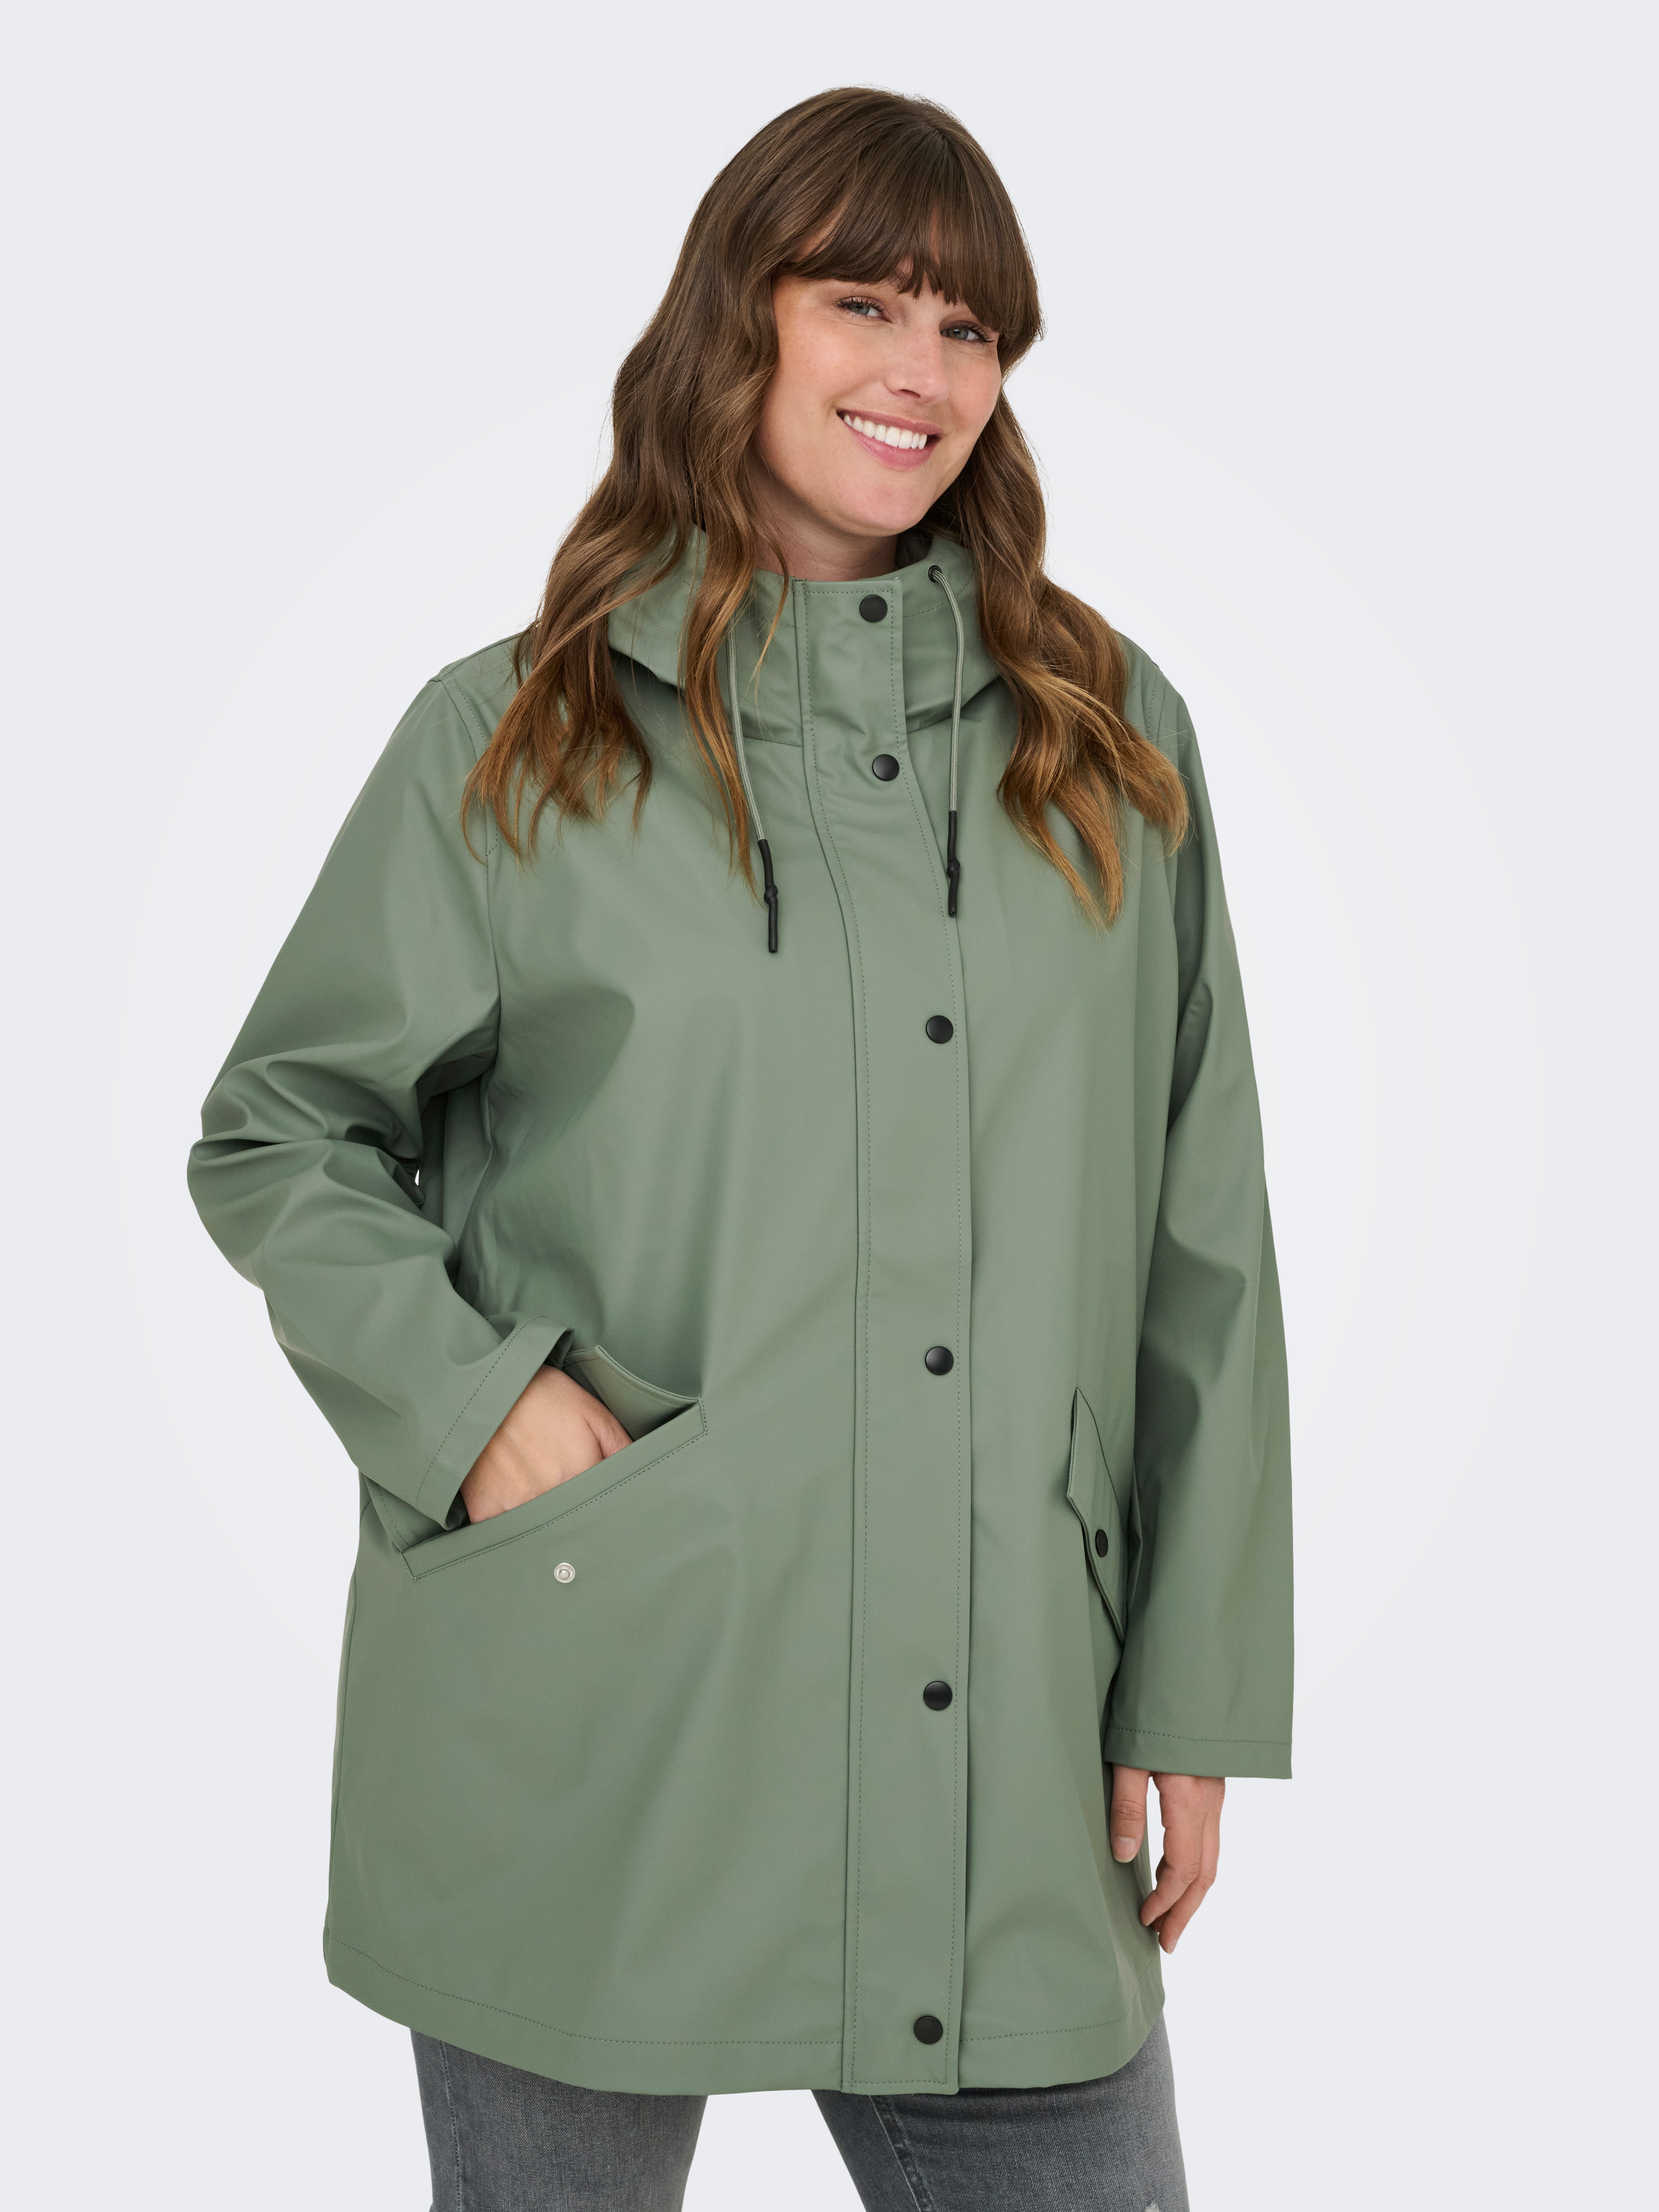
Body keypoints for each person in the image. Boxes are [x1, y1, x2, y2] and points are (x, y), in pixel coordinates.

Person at [189, 85, 1292, 2212]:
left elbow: (1200, 1229)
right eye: (863, 301)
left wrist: (1195, 1677)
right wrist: (474, 1402)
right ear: (738, 321)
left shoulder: (1105, 737)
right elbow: (280, 1127)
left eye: (968, 327)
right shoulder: (516, 737)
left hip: (1002, 1732)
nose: (920, 371)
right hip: (599, 1698)